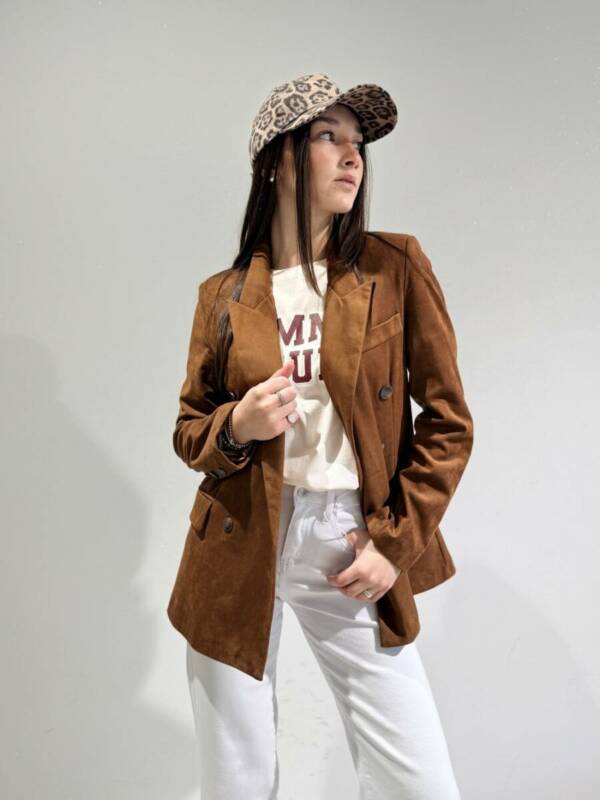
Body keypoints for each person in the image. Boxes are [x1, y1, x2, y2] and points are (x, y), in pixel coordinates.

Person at [167, 73, 474, 799]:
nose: (352, 155)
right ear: (278, 160)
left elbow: (449, 422)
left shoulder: (392, 266)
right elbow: (189, 431)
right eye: (327, 136)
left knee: (418, 781)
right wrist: (237, 425)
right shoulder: (223, 295)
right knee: (236, 778)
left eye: (357, 142)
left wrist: (393, 544)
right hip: (238, 538)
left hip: (348, 538)